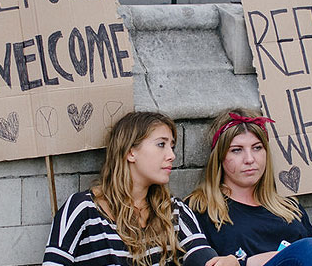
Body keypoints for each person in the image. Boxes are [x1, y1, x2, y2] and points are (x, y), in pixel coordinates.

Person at [186, 108, 312, 266]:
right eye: (237, 150)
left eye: (257, 148)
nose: (250, 159)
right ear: (220, 158)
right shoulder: (200, 207)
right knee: (310, 250)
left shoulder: (287, 204)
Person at [43, 111, 238, 266]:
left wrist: (223, 262)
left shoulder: (173, 210)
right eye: (161, 144)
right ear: (130, 152)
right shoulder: (83, 209)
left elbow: (200, 255)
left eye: (172, 146)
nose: (171, 155)